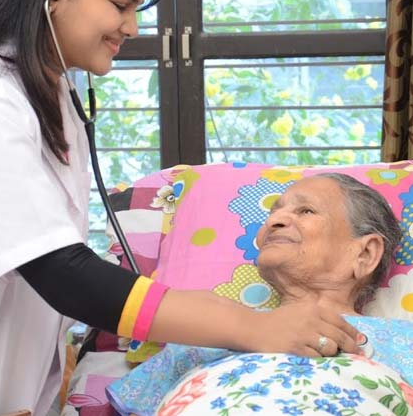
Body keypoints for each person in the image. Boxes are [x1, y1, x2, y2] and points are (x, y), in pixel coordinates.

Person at [0, 0, 359, 415]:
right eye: (120, 5)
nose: (132, 27)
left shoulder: (48, 91)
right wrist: (253, 326)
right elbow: (65, 275)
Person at [106, 173, 410, 415]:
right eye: (275, 211)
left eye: (306, 210)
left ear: (365, 254)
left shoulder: (404, 340)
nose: (273, 221)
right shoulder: (205, 329)